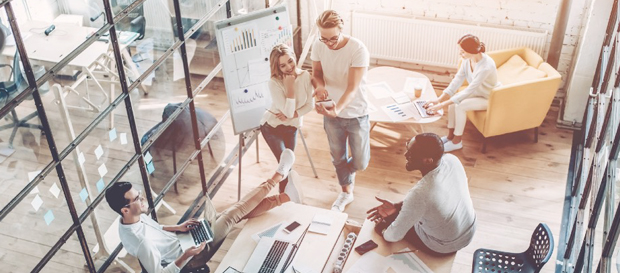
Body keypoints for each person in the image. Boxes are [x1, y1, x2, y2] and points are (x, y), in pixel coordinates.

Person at [105, 149, 302, 273]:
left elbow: (155, 229)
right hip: (191, 257)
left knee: (233, 214)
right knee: (232, 214)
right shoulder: (142, 244)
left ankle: (285, 197)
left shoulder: (130, 220)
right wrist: (187, 254)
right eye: (137, 199)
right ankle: (277, 177)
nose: (143, 199)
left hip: (185, 241)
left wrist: (178, 227)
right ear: (125, 209)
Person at [367, 133, 476, 255]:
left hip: (444, 246)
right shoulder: (452, 160)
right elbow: (427, 202)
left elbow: (393, 236)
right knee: (411, 212)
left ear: (428, 160)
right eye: (408, 147)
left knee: (382, 227)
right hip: (469, 229)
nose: (405, 155)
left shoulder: (420, 193)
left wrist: (383, 229)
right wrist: (398, 207)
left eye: (411, 153)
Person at [311, 9, 371, 212]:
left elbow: (352, 88)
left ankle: (347, 174)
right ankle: (346, 191)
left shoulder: (357, 49)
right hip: (330, 112)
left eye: (333, 38)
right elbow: (317, 73)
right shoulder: (318, 45)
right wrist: (319, 86)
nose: (329, 44)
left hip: (356, 112)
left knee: (361, 162)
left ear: (342, 28)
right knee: (338, 156)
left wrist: (339, 108)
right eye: (324, 39)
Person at [424, 34, 500, 152]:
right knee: (453, 102)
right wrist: (439, 100)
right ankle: (450, 137)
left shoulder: (486, 67)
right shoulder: (467, 60)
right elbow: (457, 81)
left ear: (472, 51)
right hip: (478, 92)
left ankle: (457, 141)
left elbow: (469, 90)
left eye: (463, 51)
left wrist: (440, 106)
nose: (460, 54)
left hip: (489, 97)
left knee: (460, 105)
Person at [261, 43, 314, 193]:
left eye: (290, 61)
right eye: (283, 65)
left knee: (287, 165)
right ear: (277, 67)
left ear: (294, 57)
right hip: (272, 128)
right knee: (285, 165)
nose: (289, 67)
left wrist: (293, 114)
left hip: (291, 127)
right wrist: (290, 87)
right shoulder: (274, 83)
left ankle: (284, 198)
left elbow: (310, 105)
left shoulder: (305, 76)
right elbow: (288, 113)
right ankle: (283, 198)